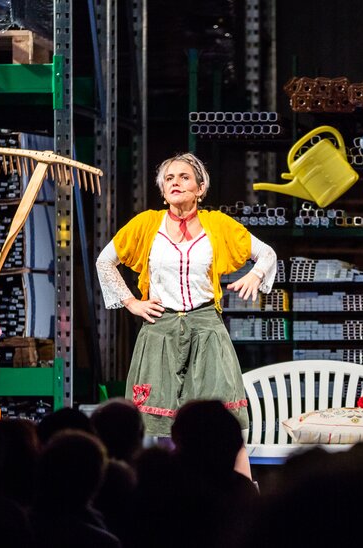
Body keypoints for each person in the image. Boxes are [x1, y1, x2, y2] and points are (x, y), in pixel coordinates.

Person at [95, 152, 277, 475]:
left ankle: (242, 495)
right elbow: (105, 261)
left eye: (184, 178)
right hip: (160, 330)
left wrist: (255, 275)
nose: (175, 183)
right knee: (156, 425)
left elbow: (266, 253)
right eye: (169, 179)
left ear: (200, 188)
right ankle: (154, 495)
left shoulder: (217, 225)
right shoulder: (147, 224)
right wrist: (132, 302)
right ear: (162, 191)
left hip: (206, 330)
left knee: (221, 424)